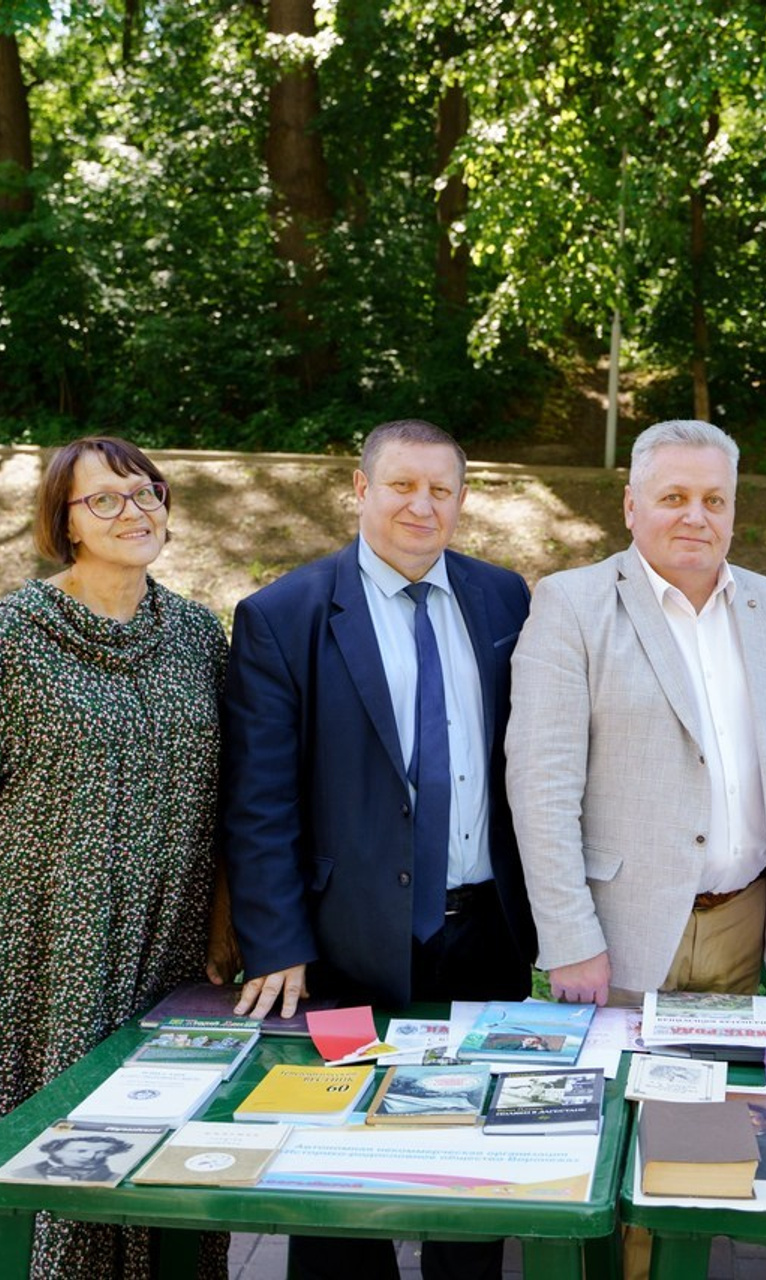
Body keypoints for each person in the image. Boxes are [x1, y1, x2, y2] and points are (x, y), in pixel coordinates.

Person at [220, 418, 535, 1280]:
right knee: (337, 1183)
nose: (421, 505)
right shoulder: (283, 615)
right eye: (401, 485)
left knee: (471, 1175)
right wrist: (276, 939)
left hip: (486, 933)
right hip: (345, 939)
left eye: (442, 488)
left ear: (463, 500)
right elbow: (259, 801)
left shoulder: (506, 598)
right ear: (361, 490)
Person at [0, 435, 230, 1278]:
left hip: (170, 945)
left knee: (170, 1150)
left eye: (145, 494)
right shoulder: (16, 639)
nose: (131, 512)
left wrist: (222, 922)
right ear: (64, 522)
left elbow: (233, 791)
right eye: (104, 500)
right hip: (47, 946)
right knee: (59, 1154)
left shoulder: (200, 636)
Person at [506, 419, 766, 1008]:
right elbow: (540, 789)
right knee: (621, 1099)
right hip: (623, 934)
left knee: (726, 1097)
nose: (694, 517)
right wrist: (570, 939)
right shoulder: (571, 605)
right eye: (673, 497)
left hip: (745, 926)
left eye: (714, 500)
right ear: (631, 506)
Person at [9, 1135, 136, 1185]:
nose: (90, 1156)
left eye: (101, 1152)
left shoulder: (119, 1179)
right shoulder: (19, 1173)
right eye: (81, 1151)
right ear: (54, 1150)